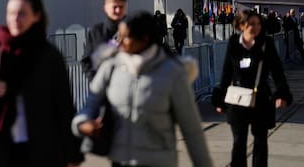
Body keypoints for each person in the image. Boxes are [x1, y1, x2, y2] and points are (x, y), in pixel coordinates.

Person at [73, 11, 213, 167]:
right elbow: (90, 105)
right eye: (118, 36)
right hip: (120, 160)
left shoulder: (173, 72)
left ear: (144, 39)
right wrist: (82, 123)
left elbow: (192, 130)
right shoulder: (110, 67)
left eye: (125, 37)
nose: (118, 42)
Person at [0, 0, 83, 167]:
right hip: (3, 145)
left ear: (36, 16)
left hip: (42, 147)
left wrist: (72, 152)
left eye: (22, 13)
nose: (15, 19)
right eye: (10, 13)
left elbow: (63, 105)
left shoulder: (48, 55)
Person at [212, 9, 292, 167]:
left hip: (260, 98)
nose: (255, 27)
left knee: (261, 142)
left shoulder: (266, 43)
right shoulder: (234, 43)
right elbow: (227, 72)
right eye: (251, 24)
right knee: (239, 142)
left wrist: (282, 93)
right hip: (238, 99)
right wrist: (220, 100)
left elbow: (277, 71)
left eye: (258, 24)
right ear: (241, 25)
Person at [80, 0, 127, 81]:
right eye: (114, 7)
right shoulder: (96, 31)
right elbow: (86, 61)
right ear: (106, 8)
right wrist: (95, 80)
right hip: (104, 89)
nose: (118, 10)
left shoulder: (134, 30)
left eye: (121, 7)